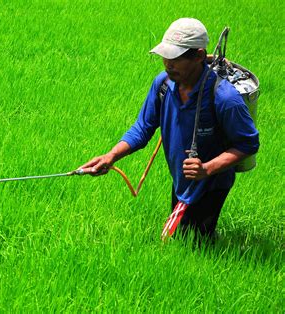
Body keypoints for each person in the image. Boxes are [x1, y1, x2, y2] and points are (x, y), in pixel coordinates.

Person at [79, 18, 259, 240]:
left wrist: (208, 168)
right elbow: (143, 128)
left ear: (199, 56)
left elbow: (249, 143)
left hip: (211, 182)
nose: (167, 63)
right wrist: (111, 156)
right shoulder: (163, 84)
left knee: (193, 244)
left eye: (176, 57)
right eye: (166, 55)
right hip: (181, 177)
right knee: (182, 238)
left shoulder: (223, 97)